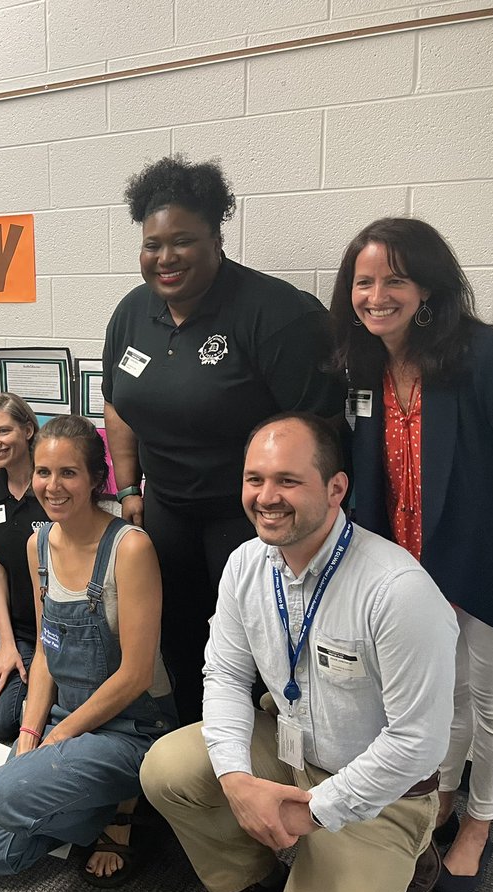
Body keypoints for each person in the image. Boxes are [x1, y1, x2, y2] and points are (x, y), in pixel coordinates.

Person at [140, 412, 458, 892]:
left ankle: (408, 853)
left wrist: (313, 810)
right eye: (255, 479)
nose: (266, 498)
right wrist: (236, 778)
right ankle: (253, 877)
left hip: (380, 789)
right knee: (166, 771)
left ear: (336, 488)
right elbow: (224, 674)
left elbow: (418, 743)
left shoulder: (398, 591)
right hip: (293, 750)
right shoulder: (245, 564)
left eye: (288, 480)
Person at [102, 155, 345, 724]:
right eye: (152, 244)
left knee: (259, 647)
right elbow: (116, 401)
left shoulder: (278, 314)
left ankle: (267, 761)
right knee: (181, 637)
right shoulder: (132, 314)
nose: (165, 258)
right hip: (168, 507)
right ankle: (195, 749)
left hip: (253, 516)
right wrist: (130, 484)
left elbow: (322, 431)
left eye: (182, 241)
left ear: (216, 237)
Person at [329, 217, 493, 892]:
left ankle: (478, 824)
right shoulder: (363, 366)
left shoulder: (484, 359)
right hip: (413, 574)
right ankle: (443, 795)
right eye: (364, 281)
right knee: (441, 700)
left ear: (428, 288)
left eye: (395, 279)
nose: (376, 294)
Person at [0, 415, 176, 885]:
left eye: (68, 473)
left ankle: (123, 807)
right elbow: (45, 652)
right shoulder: (37, 543)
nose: (52, 486)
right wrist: (29, 732)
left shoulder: (130, 547)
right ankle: (103, 802)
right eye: (43, 472)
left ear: (95, 479)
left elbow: (138, 674)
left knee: (5, 790)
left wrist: (57, 742)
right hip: (67, 714)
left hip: (132, 727)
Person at [0, 392, 48, 743]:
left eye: (3, 431)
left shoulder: (53, 488)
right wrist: (6, 643)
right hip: (18, 630)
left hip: (62, 627)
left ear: (28, 429)